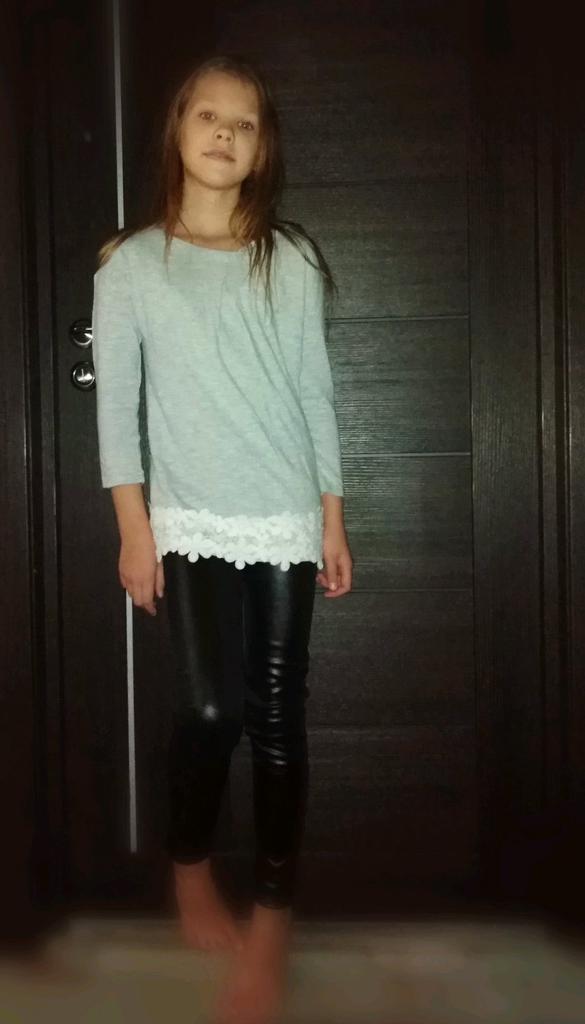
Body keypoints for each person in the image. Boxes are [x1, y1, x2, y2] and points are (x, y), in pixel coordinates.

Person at [91, 52, 352, 1024]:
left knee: (279, 720)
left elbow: (314, 394)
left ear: (260, 147)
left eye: (244, 123)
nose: (225, 134)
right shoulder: (130, 265)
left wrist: (330, 517)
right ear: (179, 128)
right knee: (208, 710)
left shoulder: (290, 259)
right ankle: (190, 863)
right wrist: (133, 529)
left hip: (283, 512)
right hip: (190, 517)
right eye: (209, 115)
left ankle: (273, 923)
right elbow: (117, 411)